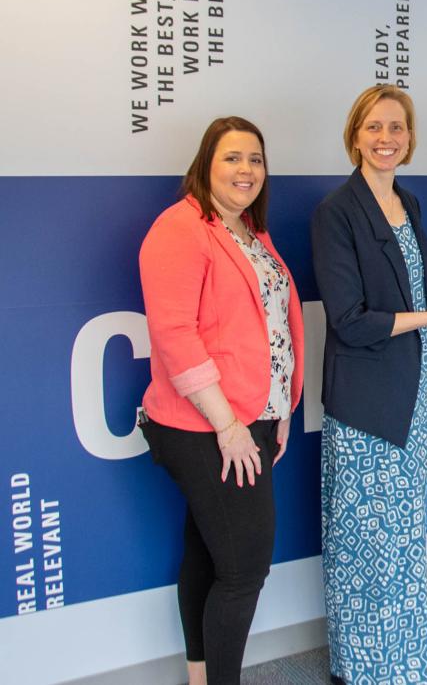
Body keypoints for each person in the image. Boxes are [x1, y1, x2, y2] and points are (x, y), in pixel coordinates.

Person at [311, 85, 427, 685]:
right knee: (365, 543)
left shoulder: (408, 202)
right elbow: (351, 321)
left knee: (404, 535)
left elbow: (415, 299)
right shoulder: (336, 211)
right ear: (355, 135)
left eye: (397, 127)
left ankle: (402, 649)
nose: (386, 138)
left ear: (409, 138)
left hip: (414, 396)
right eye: (374, 127)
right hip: (366, 404)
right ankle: (364, 665)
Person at [138, 116, 305, 685]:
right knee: (243, 571)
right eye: (232, 157)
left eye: (255, 158)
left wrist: (279, 411)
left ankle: (199, 676)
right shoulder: (180, 228)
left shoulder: (250, 232)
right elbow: (175, 336)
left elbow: (270, 328)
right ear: (206, 164)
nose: (246, 169)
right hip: (208, 426)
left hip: (253, 417)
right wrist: (229, 427)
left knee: (209, 555)